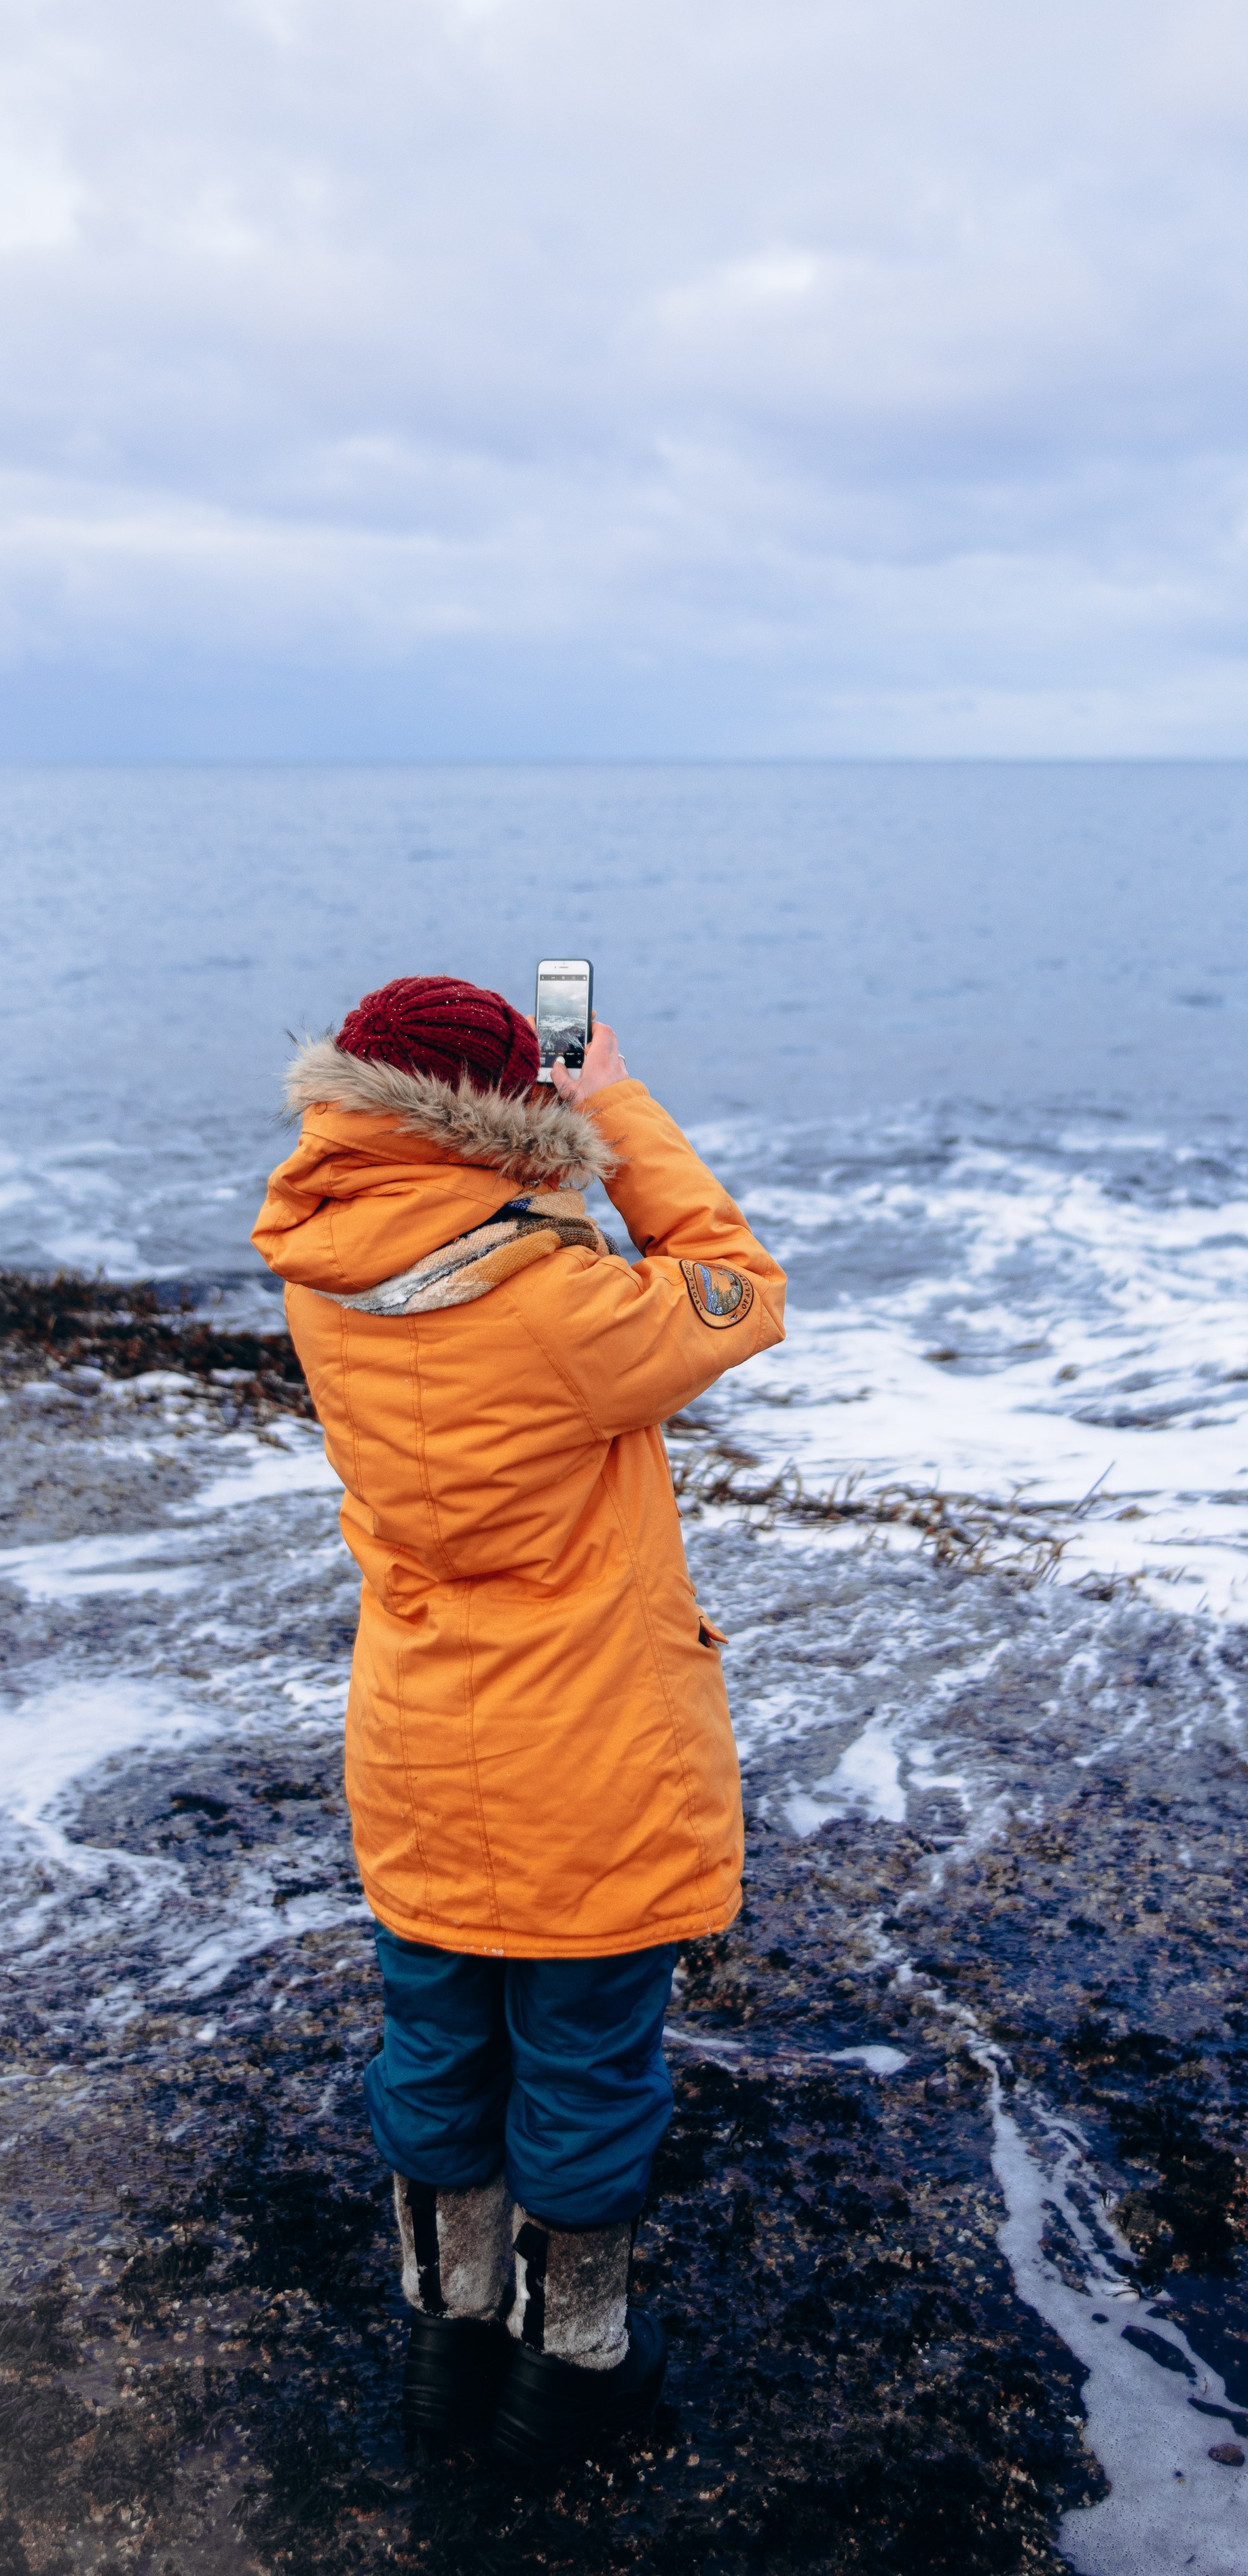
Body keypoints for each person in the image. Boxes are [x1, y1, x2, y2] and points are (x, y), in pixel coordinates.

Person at [251, 973, 785, 2469]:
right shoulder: (562, 1304)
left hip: (421, 1741)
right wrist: (607, 1106)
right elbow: (737, 1280)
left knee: (431, 2043)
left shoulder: (319, 1265)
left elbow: (458, 1239)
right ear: (504, 1109)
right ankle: (575, 2358)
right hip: (586, 1754)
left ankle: (447, 2336)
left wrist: (533, 1157)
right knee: (587, 2059)